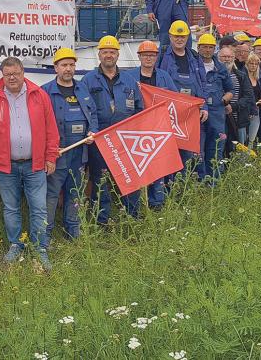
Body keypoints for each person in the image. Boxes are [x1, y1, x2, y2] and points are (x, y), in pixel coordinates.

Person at [0, 57, 57, 270]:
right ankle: (15, 245)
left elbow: (51, 128)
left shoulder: (39, 96)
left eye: (16, 73)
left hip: (35, 164)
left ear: (23, 73)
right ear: (2, 75)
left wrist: (51, 157)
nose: (12, 77)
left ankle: (39, 248)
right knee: (11, 208)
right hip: (6, 165)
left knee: (39, 208)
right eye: (7, 74)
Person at [81, 36, 149, 221]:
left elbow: (139, 109)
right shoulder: (88, 80)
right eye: (105, 52)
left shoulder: (129, 80)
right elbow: (84, 109)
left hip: (125, 138)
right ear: (99, 54)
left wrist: (135, 133)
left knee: (129, 178)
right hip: (100, 138)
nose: (108, 55)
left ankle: (132, 216)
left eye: (112, 52)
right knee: (99, 180)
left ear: (118, 54)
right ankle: (101, 220)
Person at [41, 48, 97, 242]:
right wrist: (48, 149)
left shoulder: (82, 88)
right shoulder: (45, 92)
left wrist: (93, 131)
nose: (68, 69)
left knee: (75, 195)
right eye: (64, 65)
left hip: (79, 153)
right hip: (57, 154)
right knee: (51, 196)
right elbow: (38, 123)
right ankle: (44, 236)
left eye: (72, 65)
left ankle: (73, 232)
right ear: (55, 67)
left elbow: (93, 113)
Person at [159, 22, 210, 180]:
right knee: (168, 151)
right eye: (176, 36)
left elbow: (203, 84)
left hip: (190, 114)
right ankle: (168, 187)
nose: (179, 39)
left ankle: (183, 185)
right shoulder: (162, 56)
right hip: (171, 113)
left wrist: (205, 106)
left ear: (187, 37)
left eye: (182, 36)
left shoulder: (194, 57)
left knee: (189, 152)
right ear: (170, 36)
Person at [134, 39, 178, 208]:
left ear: (156, 57)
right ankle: (139, 203)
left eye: (152, 55)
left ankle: (157, 203)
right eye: (145, 55)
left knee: (158, 167)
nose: (148, 58)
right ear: (139, 56)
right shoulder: (130, 76)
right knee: (141, 166)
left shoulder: (164, 77)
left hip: (159, 129)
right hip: (138, 128)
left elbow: (175, 100)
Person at [219, 46, 254, 150]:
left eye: (229, 57)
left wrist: (233, 107)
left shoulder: (241, 75)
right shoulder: (213, 75)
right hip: (219, 118)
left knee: (238, 148)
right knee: (220, 147)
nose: (227, 59)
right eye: (224, 56)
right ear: (218, 58)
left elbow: (248, 96)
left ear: (234, 58)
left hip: (238, 118)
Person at [244, 54, 261, 146]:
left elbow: (259, 94)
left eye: (256, 64)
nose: (253, 66)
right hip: (245, 111)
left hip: (256, 110)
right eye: (251, 63)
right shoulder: (243, 77)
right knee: (243, 137)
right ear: (247, 64)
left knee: (252, 138)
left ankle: (248, 158)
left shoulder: (257, 78)